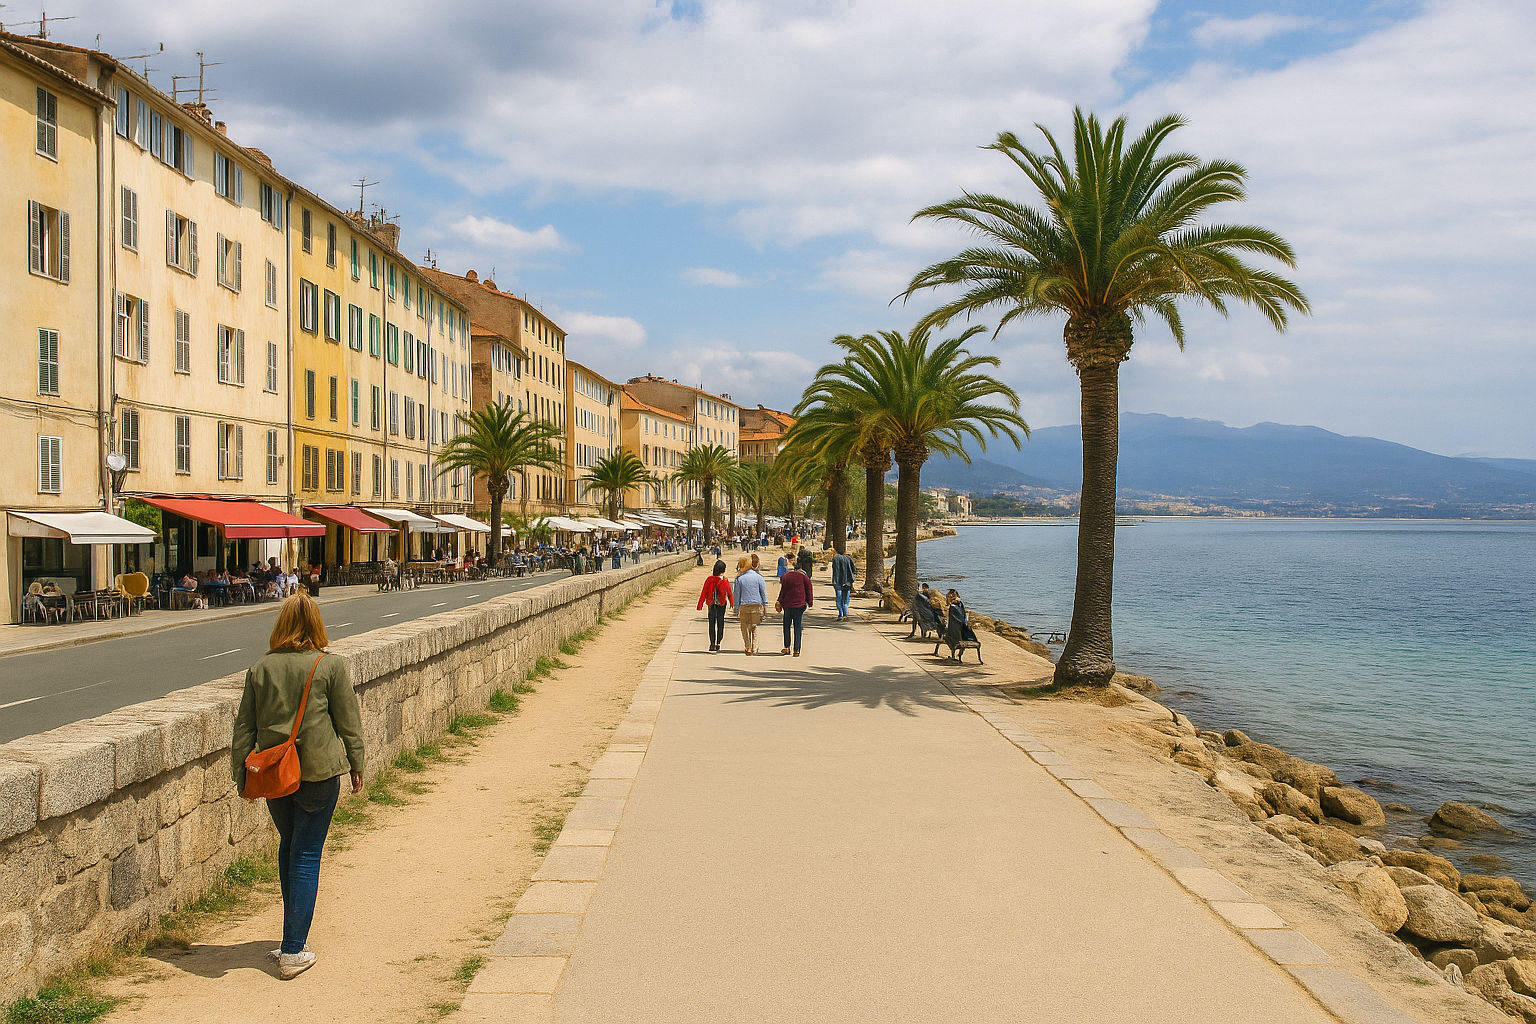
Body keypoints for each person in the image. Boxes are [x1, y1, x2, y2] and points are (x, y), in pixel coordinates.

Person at [232, 592, 363, 980]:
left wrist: (242, 776)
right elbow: (348, 721)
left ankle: (293, 939)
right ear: (317, 626)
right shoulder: (330, 666)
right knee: (306, 854)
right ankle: (293, 949)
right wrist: (357, 762)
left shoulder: (261, 669)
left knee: (289, 847)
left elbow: (244, 728)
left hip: (276, 773)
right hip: (320, 773)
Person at [776, 555, 814, 657]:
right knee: (797, 627)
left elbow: (783, 591)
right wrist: (810, 602)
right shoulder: (805, 578)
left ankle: (787, 647)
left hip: (787, 605)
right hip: (799, 605)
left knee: (786, 626)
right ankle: (796, 649)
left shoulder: (786, 577)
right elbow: (809, 590)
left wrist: (779, 601)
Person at [696, 559, 735, 653]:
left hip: (711, 603)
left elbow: (704, 592)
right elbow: (729, 592)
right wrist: (732, 603)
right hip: (721, 604)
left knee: (711, 624)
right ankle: (718, 642)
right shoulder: (724, 580)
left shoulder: (709, 579)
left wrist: (700, 605)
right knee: (720, 623)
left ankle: (712, 643)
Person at [732, 555, 767, 655]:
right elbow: (763, 593)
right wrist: (765, 605)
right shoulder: (759, 578)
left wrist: (736, 609)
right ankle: (754, 647)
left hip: (744, 605)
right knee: (754, 626)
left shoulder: (739, 579)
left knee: (744, 626)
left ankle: (747, 646)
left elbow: (737, 595)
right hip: (756, 604)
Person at [830, 547, 856, 622]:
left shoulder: (835, 559)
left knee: (839, 598)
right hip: (847, 582)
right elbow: (854, 570)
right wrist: (852, 578)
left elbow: (835, 570)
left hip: (837, 581)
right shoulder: (849, 559)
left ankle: (841, 614)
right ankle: (846, 613)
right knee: (846, 598)